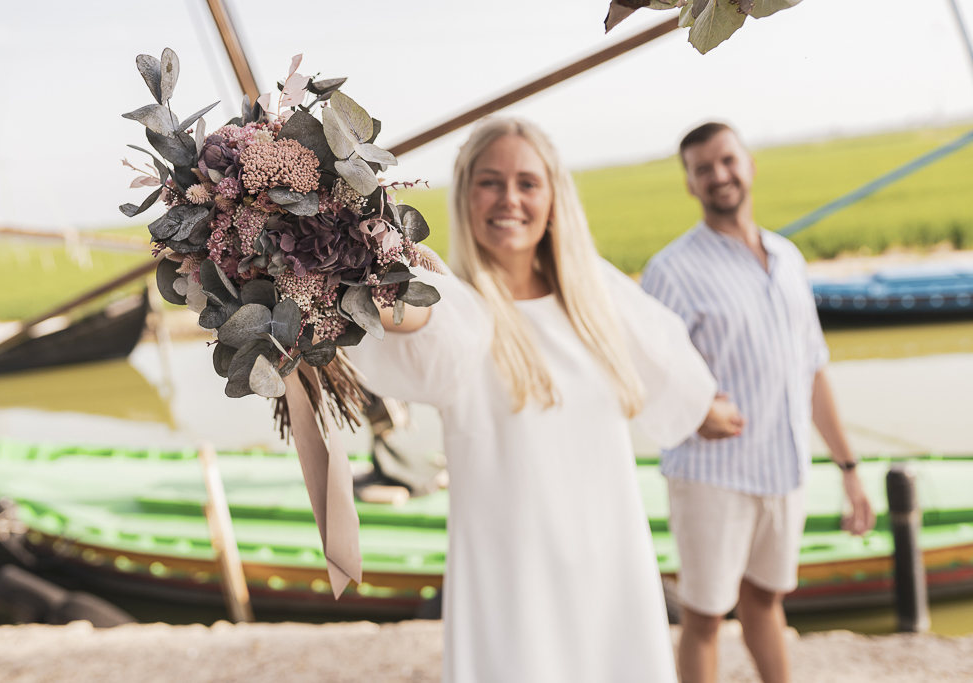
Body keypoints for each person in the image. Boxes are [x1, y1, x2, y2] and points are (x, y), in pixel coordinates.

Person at [347, 117, 742, 683]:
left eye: (527, 183)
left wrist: (707, 408)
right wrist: (327, 266)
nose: (509, 198)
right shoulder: (458, 306)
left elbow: (667, 361)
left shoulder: (594, 292)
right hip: (516, 587)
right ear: (465, 195)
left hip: (611, 565)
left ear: (554, 196)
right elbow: (404, 312)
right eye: (490, 182)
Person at [640, 122, 877, 683]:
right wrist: (697, 413)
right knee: (704, 617)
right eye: (703, 168)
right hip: (711, 476)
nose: (719, 175)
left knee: (766, 600)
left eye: (727, 160)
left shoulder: (787, 257)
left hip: (784, 470)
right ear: (690, 184)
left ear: (749, 164)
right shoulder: (671, 271)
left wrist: (848, 468)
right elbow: (645, 376)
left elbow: (812, 368)